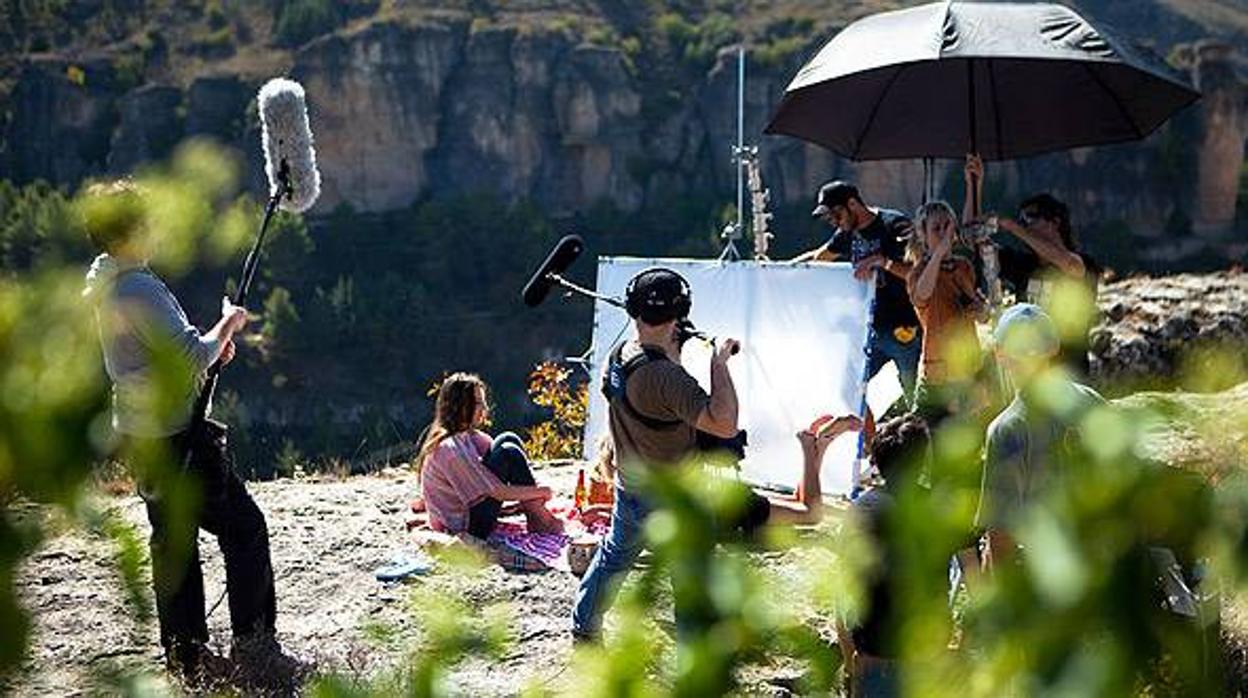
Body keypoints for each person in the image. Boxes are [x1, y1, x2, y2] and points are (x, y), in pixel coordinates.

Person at [81, 180, 292, 679]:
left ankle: (186, 656)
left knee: (172, 543)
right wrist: (228, 324)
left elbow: (170, 354)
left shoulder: (110, 282)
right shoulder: (138, 287)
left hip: (140, 430)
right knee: (244, 528)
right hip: (175, 432)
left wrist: (210, 347)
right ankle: (254, 644)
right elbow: (192, 353)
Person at [975, 304, 1106, 568]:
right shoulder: (1091, 401)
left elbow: (1001, 535)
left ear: (1000, 354)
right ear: (1054, 349)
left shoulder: (1007, 429)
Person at [963, 155, 1101, 375]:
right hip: (1031, 371)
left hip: (1069, 372)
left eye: (1032, 218)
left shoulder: (1084, 263)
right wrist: (974, 185)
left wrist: (1011, 226)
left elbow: (1069, 264)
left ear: (1055, 222)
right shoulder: (1023, 265)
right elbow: (974, 241)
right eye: (1023, 219)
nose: (1026, 224)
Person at [793, 180, 922, 406]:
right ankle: (867, 438)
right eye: (828, 218)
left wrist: (882, 262)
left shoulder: (896, 225)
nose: (833, 221)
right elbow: (818, 258)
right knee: (847, 389)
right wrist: (775, 269)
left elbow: (918, 272)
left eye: (835, 214)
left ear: (852, 204)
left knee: (915, 397)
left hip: (905, 329)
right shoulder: (846, 234)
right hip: (869, 332)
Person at [844, 414, 932, 698]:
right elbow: (973, 573)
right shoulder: (941, 507)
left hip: (874, 659)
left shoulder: (860, 510)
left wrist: (850, 664)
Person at [416, 372, 563, 539]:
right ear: (461, 405)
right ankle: (539, 518)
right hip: (463, 526)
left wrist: (535, 491)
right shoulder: (450, 449)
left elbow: (507, 463)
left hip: (474, 511)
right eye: (478, 403)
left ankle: (536, 515)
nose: (484, 409)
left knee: (508, 439)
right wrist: (541, 492)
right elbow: (497, 491)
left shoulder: (469, 436)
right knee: (508, 451)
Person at [905, 200, 986, 423]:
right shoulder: (918, 272)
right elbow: (922, 297)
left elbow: (975, 310)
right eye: (936, 228)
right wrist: (939, 254)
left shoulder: (964, 267)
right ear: (923, 235)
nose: (942, 233)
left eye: (946, 226)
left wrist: (980, 309)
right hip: (937, 374)